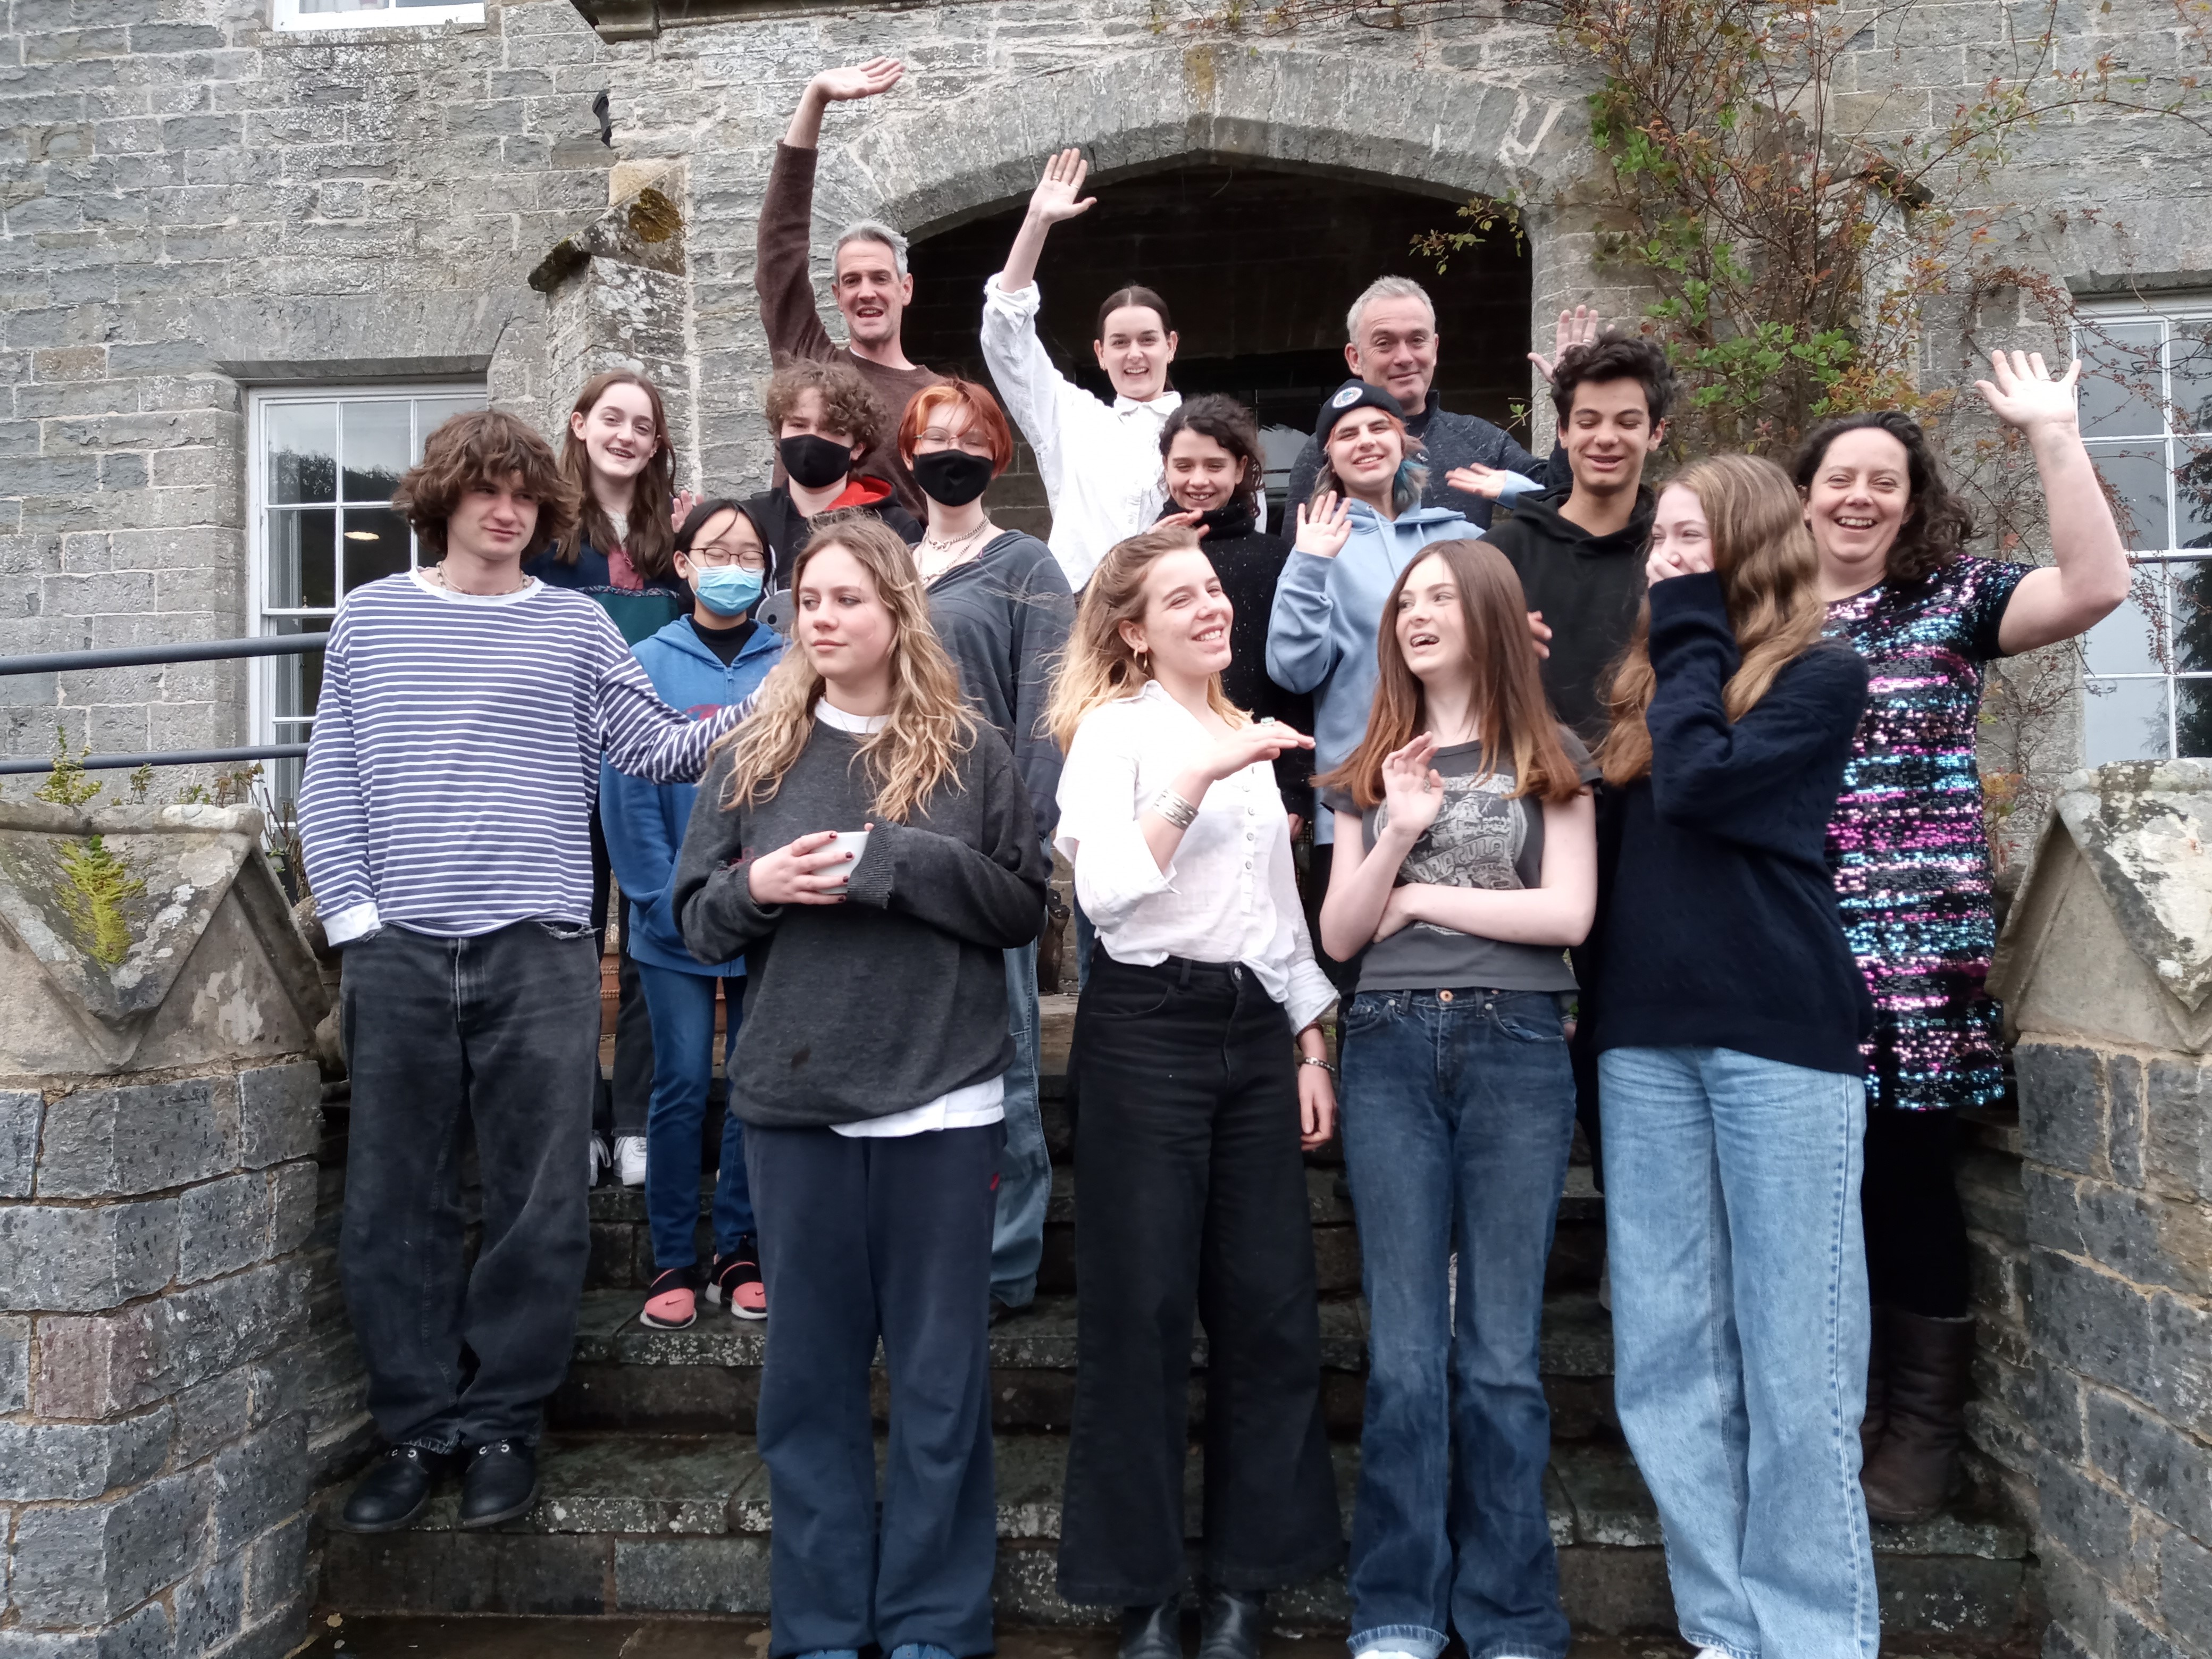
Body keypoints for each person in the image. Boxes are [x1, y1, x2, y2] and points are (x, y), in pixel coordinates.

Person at [303, 410, 745, 1536]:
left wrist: (778, 703)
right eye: (485, 492)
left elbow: (657, 747)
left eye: (524, 497)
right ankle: (414, 1428)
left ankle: (504, 1421)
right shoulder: (370, 618)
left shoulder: (576, 627)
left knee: (538, 1202)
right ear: (443, 500)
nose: (506, 512)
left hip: (541, 951)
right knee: (394, 1200)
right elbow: (331, 779)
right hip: (399, 952)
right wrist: (355, 920)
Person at [672, 516, 1048, 1659]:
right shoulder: (756, 753)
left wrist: (896, 861)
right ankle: (824, 1624)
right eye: (809, 602)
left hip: (943, 1102)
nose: (822, 619)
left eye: (847, 600)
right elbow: (693, 922)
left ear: (897, 612)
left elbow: (1021, 908)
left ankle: (935, 1621)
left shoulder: (972, 751)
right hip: (798, 1106)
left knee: (939, 1382)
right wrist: (758, 888)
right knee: (809, 1384)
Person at [1795, 352, 2127, 1523]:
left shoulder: (1952, 599)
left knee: (1906, 1183)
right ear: (1803, 497)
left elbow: (2095, 586)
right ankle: (1842, 1409)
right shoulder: (1759, 615)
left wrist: (2053, 432)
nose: (1859, 497)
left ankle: (1922, 1432)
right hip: (1793, 947)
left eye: (1883, 482)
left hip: (1919, 957)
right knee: (1812, 1196)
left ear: (1910, 501)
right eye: (1840, 479)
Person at [1587, 455, 1877, 1659]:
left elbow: (1701, 788)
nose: (1662, 559)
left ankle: (1812, 1638)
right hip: (1644, 1044)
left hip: (1780, 1036)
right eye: (1658, 541)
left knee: (1798, 1357)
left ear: (1750, 546)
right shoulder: (1652, 687)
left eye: (1688, 539)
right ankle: (1723, 1628)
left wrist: (1689, 627)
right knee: (1665, 1358)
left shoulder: (1820, 673)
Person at [1048, 524, 1341, 1659]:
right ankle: (1142, 1591)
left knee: (1269, 1310)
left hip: (1253, 1035)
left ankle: (1248, 1583)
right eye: (1181, 598)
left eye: (1213, 589)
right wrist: (1198, 777)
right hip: (1145, 1032)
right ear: (1133, 631)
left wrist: (1311, 1044)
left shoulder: (1244, 733)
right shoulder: (1114, 733)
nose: (1211, 607)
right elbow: (1109, 896)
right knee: (1141, 1312)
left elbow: (1276, 913)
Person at [1314, 539, 1597, 1659]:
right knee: (1403, 1354)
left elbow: (1567, 916)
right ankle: (1395, 1608)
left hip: (1517, 1046)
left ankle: (1510, 1613)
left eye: (1440, 597)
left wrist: (1420, 896)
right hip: (1386, 1045)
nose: (1418, 614)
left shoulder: (1551, 755)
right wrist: (1394, 828)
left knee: (1500, 1355)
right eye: (1406, 602)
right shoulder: (1367, 765)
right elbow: (1343, 936)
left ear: (1488, 615)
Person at [896, 381, 1076, 1320]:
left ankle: (1004, 1265)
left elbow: (1048, 716)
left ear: (997, 455)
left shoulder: (1026, 565)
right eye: (936, 437)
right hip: (887, 847)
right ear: (909, 452)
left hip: (985, 848)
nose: (953, 451)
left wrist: (1026, 849)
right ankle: (917, 1257)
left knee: (1002, 1058)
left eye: (972, 438)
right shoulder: (884, 565)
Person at [600, 499, 788, 1329]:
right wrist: (657, 900)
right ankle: (672, 1254)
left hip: (767, 911)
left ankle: (739, 1248)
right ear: (682, 563)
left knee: (753, 1080)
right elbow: (628, 793)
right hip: (672, 918)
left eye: (750, 554)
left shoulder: (793, 665)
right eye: (717, 551)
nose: (734, 566)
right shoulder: (644, 663)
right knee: (678, 1084)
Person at [527, 368, 693, 1188]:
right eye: (613, 419)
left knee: (650, 948)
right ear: (580, 424)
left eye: (644, 426)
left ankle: (636, 1124)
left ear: (657, 444)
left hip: (654, 770)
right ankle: (580, 1121)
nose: (627, 436)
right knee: (571, 946)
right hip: (565, 767)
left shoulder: (679, 534)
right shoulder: (545, 530)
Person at [1267, 381, 1471, 984]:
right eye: (1346, 434)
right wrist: (1310, 565)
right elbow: (1293, 670)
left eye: (1379, 427)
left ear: (1404, 442)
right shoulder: (1317, 545)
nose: (1365, 441)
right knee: (1365, 986)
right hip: (1362, 803)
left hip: (1465, 791)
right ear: (1328, 457)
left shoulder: (1461, 538)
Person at [981, 148, 1183, 591]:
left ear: (1171, 346)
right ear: (1100, 353)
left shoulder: (1205, 430)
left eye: (1148, 340)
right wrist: (1037, 222)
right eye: (1120, 342)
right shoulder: (1073, 420)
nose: (1134, 354)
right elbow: (1005, 337)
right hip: (1081, 611)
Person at [759, 57, 947, 513]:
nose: (866, 291)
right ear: (837, 296)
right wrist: (815, 99)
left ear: (905, 289)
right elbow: (779, 252)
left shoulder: (939, 397)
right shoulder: (812, 363)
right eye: (852, 281)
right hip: (800, 554)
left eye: (880, 278)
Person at [1481, 330, 1675, 744]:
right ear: (1564, 432)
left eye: (1628, 423)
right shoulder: (1498, 557)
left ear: (1656, 433)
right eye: (1588, 422)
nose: (1606, 438)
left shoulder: (1678, 557)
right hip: (1529, 776)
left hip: (1652, 778)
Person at [1157, 395, 1315, 831]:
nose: (1199, 480)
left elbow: (1294, 678)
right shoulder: (1138, 557)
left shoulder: (1277, 559)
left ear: (1241, 469)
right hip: (1157, 763)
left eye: (1215, 465)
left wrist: (1295, 785)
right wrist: (1144, 556)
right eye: (1184, 466)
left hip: (1256, 770)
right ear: (1166, 467)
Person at [1281, 278, 1552, 528]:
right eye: (1384, 343)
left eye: (1417, 340)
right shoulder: (1329, 450)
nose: (1404, 357)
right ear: (1355, 358)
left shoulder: (1478, 439)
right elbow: (1298, 551)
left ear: (1434, 349)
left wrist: (1570, 392)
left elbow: (1559, 495)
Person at [745, 359, 923, 574]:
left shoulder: (895, 526)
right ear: (780, 432)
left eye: (830, 429)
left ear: (857, 447)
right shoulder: (748, 522)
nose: (811, 437)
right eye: (798, 425)